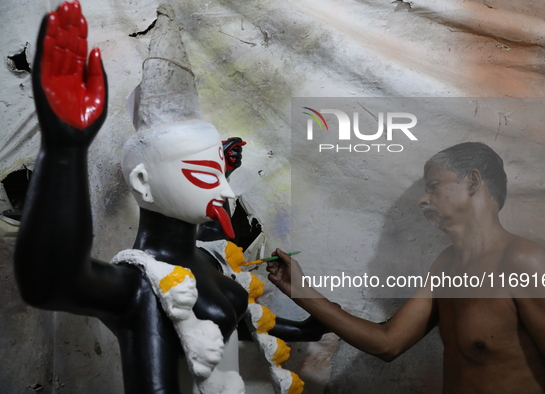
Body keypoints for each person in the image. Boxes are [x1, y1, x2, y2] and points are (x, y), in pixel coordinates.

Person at [14, 2, 324, 393]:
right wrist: (64, 150)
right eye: (206, 174)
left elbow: (242, 321)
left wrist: (311, 324)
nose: (226, 189)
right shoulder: (142, 283)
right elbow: (51, 282)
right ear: (143, 183)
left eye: (221, 172)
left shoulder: (209, 255)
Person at [267, 142, 545, 393]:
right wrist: (301, 292)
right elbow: (388, 342)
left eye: (434, 185)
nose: (423, 199)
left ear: (473, 181)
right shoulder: (447, 265)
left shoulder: (525, 262)